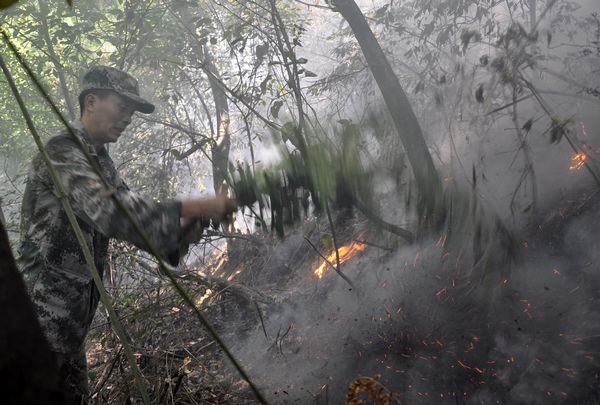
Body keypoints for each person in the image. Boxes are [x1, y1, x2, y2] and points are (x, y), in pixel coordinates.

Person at [18, 66, 237, 403]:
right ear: (91, 102)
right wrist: (191, 208)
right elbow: (112, 212)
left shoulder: (100, 162)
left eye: (132, 112)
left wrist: (177, 232)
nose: (129, 119)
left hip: (70, 328)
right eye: (123, 108)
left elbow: (132, 209)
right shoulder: (62, 152)